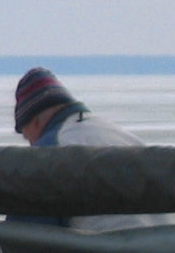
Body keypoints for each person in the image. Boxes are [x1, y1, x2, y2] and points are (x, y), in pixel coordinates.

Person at [12, 67, 162, 231]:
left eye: (28, 138)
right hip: (161, 249)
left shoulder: (48, 154)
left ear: (35, 123)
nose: (31, 145)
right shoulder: (125, 137)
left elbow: (24, 235)